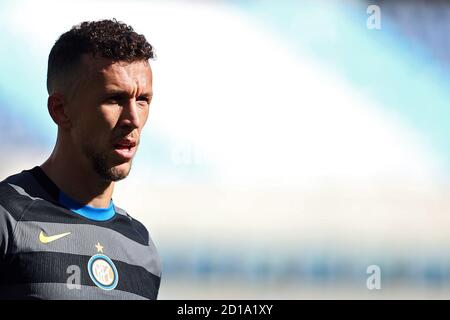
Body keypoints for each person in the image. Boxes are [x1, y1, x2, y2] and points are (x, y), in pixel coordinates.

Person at [0, 19, 161, 300]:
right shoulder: (8, 217)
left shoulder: (142, 248)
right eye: (114, 99)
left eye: (143, 100)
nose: (133, 119)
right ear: (61, 110)